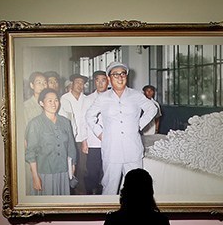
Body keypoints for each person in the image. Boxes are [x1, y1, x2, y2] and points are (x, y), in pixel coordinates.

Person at [86, 62, 158, 195]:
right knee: (110, 186)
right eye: (115, 74)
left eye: (123, 74)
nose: (120, 77)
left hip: (132, 149)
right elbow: (89, 116)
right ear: (109, 78)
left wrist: (138, 125)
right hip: (111, 150)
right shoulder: (103, 98)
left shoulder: (136, 95)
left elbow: (152, 109)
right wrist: (99, 133)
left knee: (136, 188)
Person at [24, 88, 77, 195]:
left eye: (56, 100)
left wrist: (72, 167)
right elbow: (30, 152)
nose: (54, 104)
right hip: (44, 172)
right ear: (41, 103)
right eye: (50, 101)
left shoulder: (65, 122)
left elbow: (71, 147)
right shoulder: (35, 124)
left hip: (63, 171)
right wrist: (35, 176)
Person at [60, 74, 89, 193]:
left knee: (82, 168)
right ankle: (69, 192)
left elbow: (87, 120)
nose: (79, 85)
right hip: (68, 140)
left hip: (82, 139)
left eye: (82, 83)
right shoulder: (64, 99)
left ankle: (80, 192)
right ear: (72, 84)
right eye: (77, 82)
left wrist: (85, 141)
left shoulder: (86, 99)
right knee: (69, 167)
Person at [82, 70, 109, 194]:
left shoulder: (112, 97)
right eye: (97, 80)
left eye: (103, 80)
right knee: (92, 171)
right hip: (93, 142)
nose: (100, 83)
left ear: (107, 81)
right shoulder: (88, 99)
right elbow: (83, 121)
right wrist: (84, 141)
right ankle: (90, 194)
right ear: (94, 82)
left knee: (106, 171)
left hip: (109, 142)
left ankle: (102, 194)